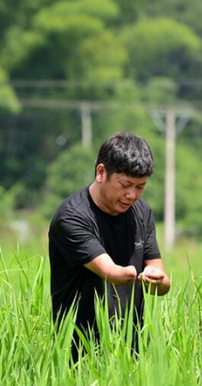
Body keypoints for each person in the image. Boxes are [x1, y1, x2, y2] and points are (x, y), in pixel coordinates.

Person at [48, 132, 171, 362]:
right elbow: (110, 272)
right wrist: (135, 273)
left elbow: (163, 283)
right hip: (78, 352)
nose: (132, 195)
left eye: (140, 187)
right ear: (101, 172)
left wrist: (157, 279)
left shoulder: (142, 213)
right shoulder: (72, 217)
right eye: (125, 185)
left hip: (130, 351)